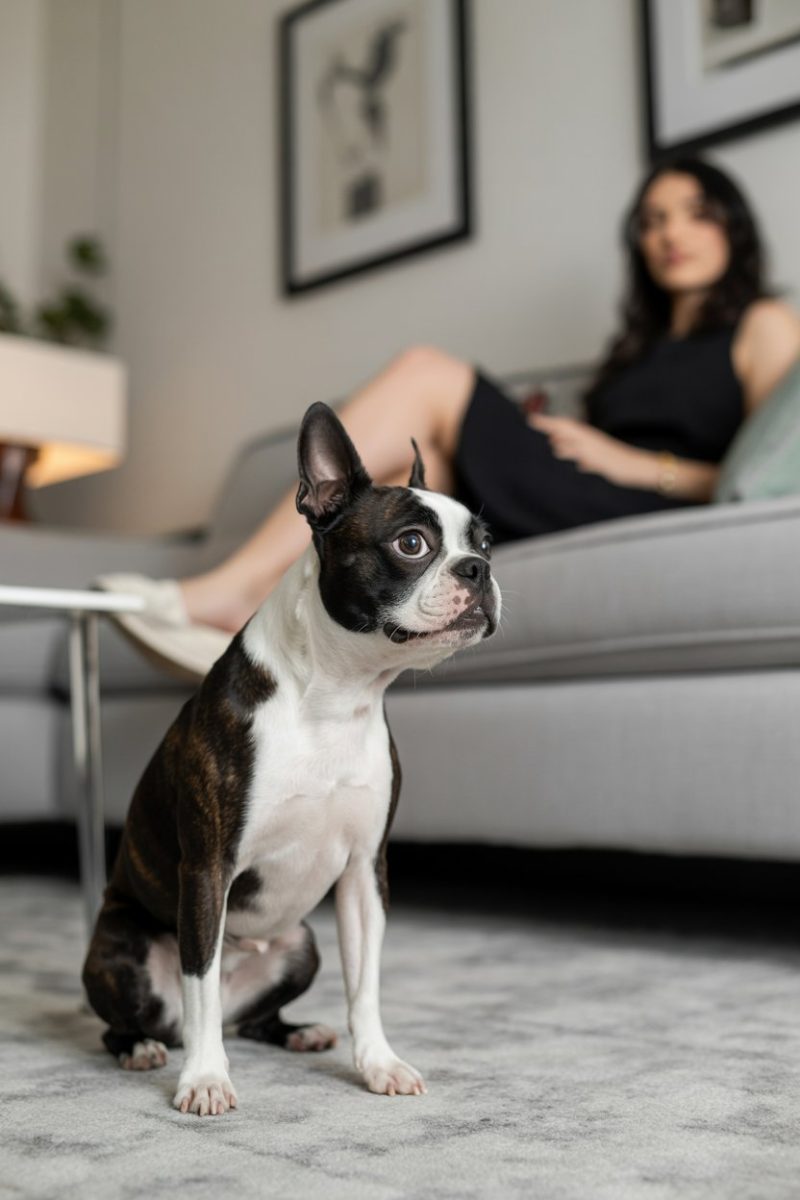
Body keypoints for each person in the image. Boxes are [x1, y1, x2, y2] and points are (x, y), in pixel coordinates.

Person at [101, 157, 800, 679]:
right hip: (578, 491)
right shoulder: (636, 354)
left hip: (639, 503)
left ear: (732, 226)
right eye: (652, 221)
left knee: (428, 373)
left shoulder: (764, 325)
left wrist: (635, 463)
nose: (670, 233)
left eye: (695, 212)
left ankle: (230, 593)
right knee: (429, 421)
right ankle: (255, 596)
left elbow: (758, 482)